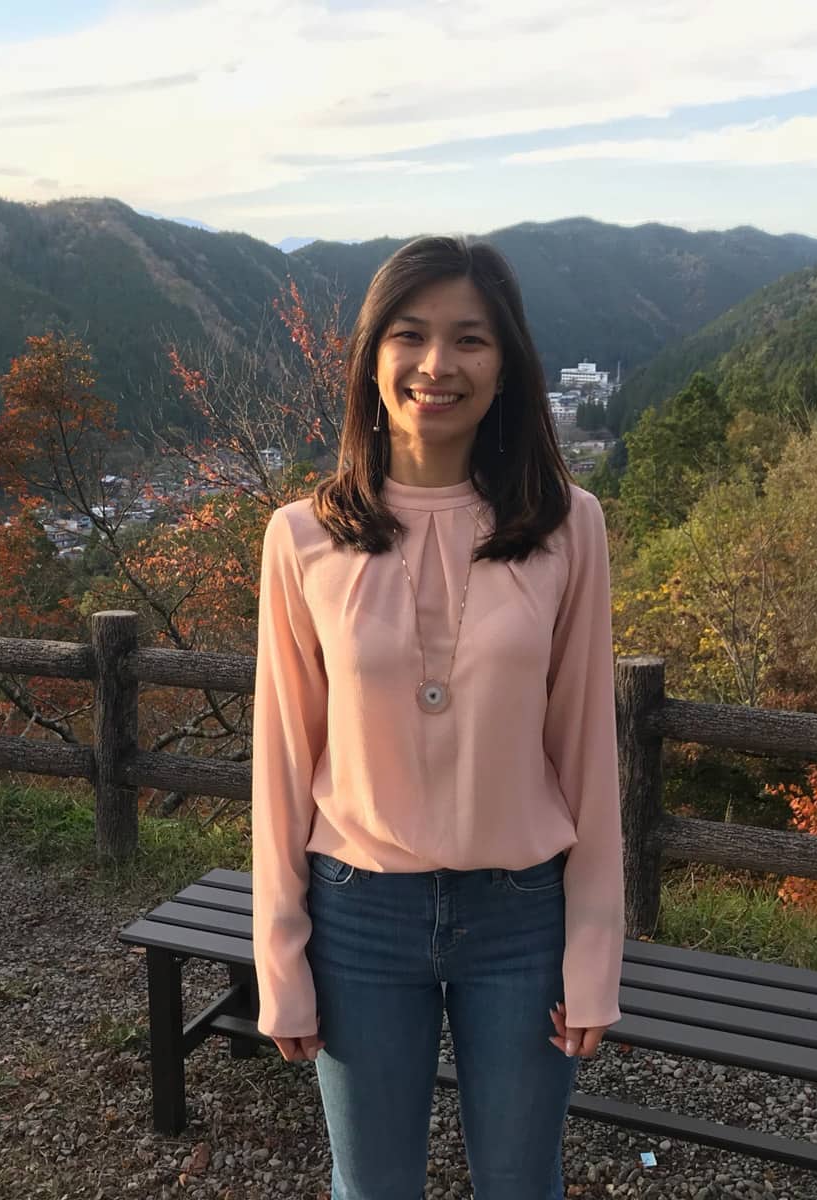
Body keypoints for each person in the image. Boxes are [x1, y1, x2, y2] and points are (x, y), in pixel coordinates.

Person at [251, 234, 625, 1199]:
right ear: (373, 357)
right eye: (410, 335)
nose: (437, 365)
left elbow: (586, 750)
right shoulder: (301, 538)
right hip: (357, 913)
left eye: (471, 340)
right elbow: (283, 765)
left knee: (519, 1182)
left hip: (523, 917)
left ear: (506, 367)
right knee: (371, 1189)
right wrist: (278, 956)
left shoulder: (568, 526)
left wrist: (594, 950)